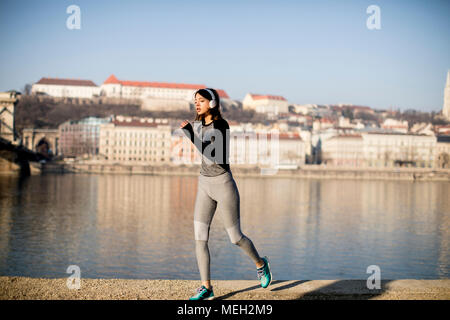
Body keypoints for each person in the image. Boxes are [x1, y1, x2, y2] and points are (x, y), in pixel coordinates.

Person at [179, 88, 272, 300]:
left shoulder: (222, 125)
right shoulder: (198, 125)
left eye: (201, 100)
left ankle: (260, 263)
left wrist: (190, 135)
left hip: (223, 184)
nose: (197, 104)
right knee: (200, 238)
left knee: (235, 237)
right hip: (204, 184)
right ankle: (206, 287)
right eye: (195, 101)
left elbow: (215, 156)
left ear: (212, 103)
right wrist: (192, 133)